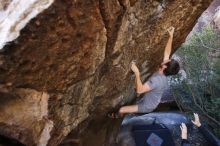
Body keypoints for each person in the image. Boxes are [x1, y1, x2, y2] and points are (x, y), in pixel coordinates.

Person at [109, 27, 180, 118]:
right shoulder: (164, 70)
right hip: (152, 99)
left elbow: (140, 90)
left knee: (121, 109)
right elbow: (167, 53)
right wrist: (171, 36)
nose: (167, 59)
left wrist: (137, 73)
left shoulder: (157, 80)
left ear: (165, 66)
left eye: (168, 60)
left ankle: (120, 115)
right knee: (139, 93)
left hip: (147, 106)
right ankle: (133, 109)